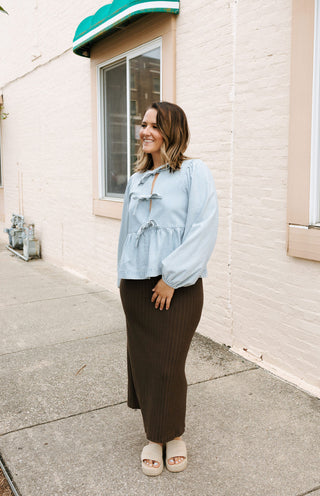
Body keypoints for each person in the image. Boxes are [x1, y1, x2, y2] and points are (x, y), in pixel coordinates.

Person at [118, 101, 218, 476]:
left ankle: (173, 434)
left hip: (179, 286)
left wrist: (171, 278)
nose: (144, 131)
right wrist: (122, 278)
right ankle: (153, 437)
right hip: (136, 285)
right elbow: (126, 236)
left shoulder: (195, 172)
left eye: (153, 126)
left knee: (169, 364)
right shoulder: (136, 179)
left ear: (171, 131)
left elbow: (203, 228)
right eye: (142, 124)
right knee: (144, 362)